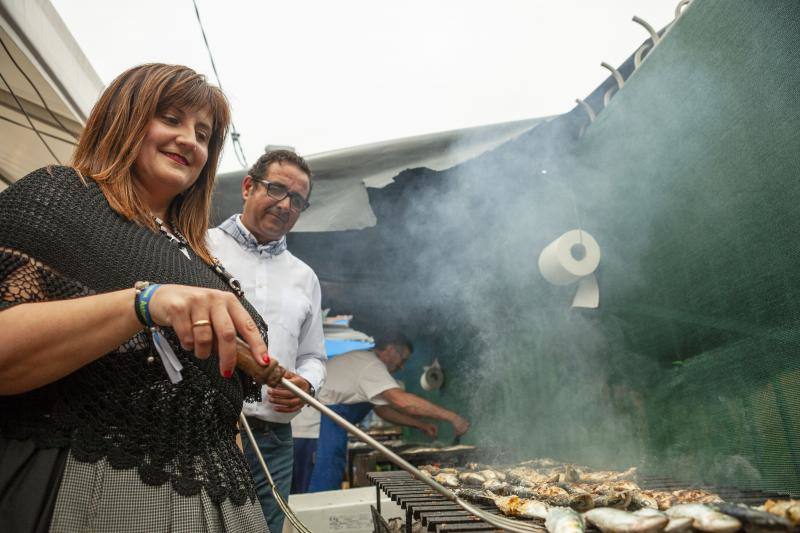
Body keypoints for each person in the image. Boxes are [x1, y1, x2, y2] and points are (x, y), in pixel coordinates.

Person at [0, 64, 283, 532]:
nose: (190, 140)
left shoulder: (201, 260)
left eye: (203, 133)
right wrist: (144, 303)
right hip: (99, 494)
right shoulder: (60, 195)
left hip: (219, 505)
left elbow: (217, 413)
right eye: (170, 118)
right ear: (123, 118)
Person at [207, 149, 326, 533]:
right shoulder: (201, 247)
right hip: (208, 432)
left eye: (297, 200)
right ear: (247, 187)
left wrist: (307, 384)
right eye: (276, 189)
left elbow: (314, 356)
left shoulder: (304, 276)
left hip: (274, 439)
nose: (285, 204)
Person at [295, 333, 470, 493]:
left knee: (315, 492)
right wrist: (452, 417)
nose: (401, 367)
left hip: (319, 429)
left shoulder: (364, 363)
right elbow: (401, 401)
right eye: (403, 360)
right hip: (314, 432)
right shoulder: (371, 364)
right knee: (316, 493)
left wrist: (420, 425)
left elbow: (382, 409)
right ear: (391, 349)